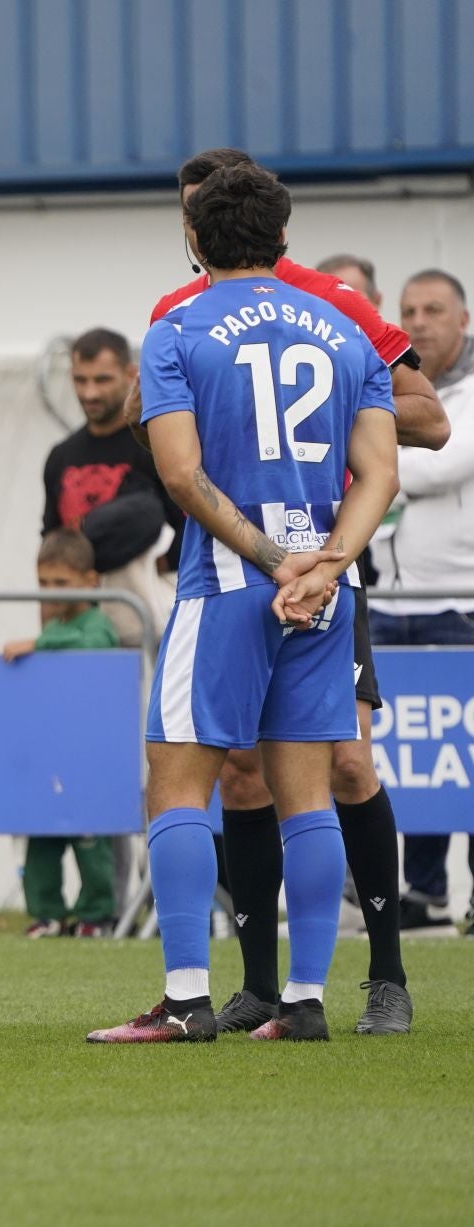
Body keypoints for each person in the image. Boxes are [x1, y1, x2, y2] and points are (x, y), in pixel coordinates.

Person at [89, 160, 400, 1044]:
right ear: (284, 238)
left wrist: (269, 560)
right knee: (308, 794)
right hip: (322, 594)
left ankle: (187, 1001)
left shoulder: (177, 327)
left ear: (194, 237)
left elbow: (182, 476)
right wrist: (326, 564)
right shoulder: (344, 329)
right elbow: (381, 472)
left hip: (229, 581)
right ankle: (303, 1002)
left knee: (175, 782)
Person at [372, 269, 474, 928]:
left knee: (463, 756)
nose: (420, 321)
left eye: (434, 309)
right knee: (408, 758)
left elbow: (445, 464)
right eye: (409, 310)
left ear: (464, 319)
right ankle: (424, 889)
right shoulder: (391, 390)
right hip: (389, 605)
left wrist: (372, 463)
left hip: (457, 603)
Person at [3, 531, 120, 937]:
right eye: (44, 582)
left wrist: (38, 643)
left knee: (91, 839)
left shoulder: (96, 623)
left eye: (60, 583)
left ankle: (95, 914)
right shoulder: (55, 624)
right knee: (42, 838)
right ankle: (47, 913)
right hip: (49, 752)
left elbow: (94, 645)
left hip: (88, 754)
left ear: (89, 581)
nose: (50, 592)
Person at [42, 328, 181, 647]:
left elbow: (186, 529)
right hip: (79, 630)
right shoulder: (61, 456)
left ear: (131, 374)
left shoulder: (154, 445)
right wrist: (47, 631)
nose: (89, 393)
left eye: (101, 380)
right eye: (80, 380)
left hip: (150, 621)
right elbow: (50, 547)